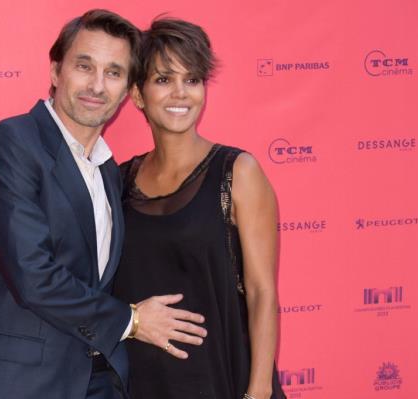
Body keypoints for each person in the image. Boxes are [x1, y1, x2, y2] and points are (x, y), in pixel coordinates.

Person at [0, 10, 207, 399]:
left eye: (114, 72)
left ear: (127, 90)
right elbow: (33, 276)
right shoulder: (11, 144)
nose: (97, 85)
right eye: (85, 66)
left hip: (98, 380)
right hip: (17, 384)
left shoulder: (109, 173)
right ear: (55, 71)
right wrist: (133, 321)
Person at [112, 17, 287, 399]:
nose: (181, 93)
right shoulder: (118, 181)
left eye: (191, 80)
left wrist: (257, 391)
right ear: (138, 95)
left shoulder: (238, 172)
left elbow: (261, 292)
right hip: (142, 381)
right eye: (163, 80)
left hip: (221, 378)